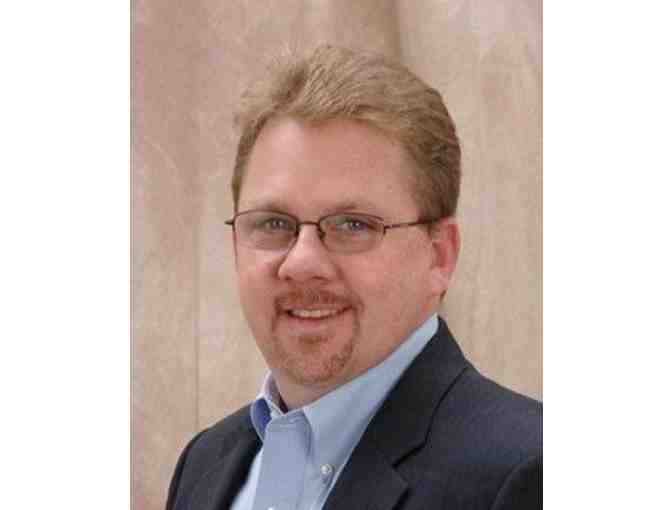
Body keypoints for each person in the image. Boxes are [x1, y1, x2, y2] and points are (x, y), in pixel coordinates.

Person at [166, 45, 542, 510]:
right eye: (274, 223)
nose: (302, 263)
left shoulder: (530, 473)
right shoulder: (203, 466)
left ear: (439, 256)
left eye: (352, 225)